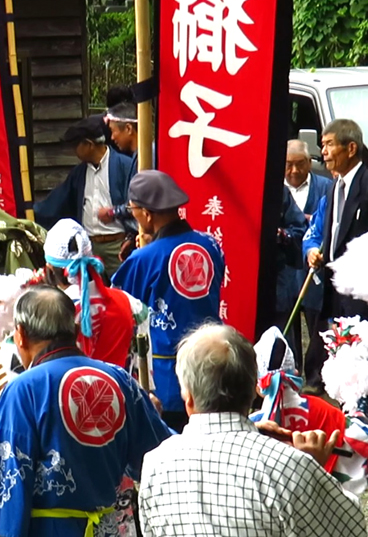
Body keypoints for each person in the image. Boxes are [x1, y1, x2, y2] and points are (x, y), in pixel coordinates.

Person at [0, 286, 172, 537]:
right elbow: (160, 457)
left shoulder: (23, 390)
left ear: (20, 336)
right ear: (74, 331)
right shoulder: (120, 380)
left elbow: (5, 480)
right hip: (110, 528)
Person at [139, 323, 364, 536]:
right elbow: (352, 530)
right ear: (251, 391)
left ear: (188, 397)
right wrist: (314, 473)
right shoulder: (289, 466)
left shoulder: (154, 465)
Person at [112, 170, 225, 431]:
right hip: (213, 364)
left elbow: (123, 307)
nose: (134, 217)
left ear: (147, 214)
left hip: (166, 379)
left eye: (134, 210)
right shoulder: (211, 245)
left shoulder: (142, 260)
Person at [248, 327, 368, 494]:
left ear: (258, 387)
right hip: (330, 498)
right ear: (296, 373)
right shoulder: (322, 408)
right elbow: (359, 437)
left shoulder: (253, 425)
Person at [304, 119, 368, 392]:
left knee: (357, 355)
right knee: (327, 348)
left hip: (359, 289)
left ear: (351, 148)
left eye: (329, 144)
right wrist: (318, 252)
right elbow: (329, 230)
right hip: (331, 283)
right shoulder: (333, 186)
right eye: (322, 146)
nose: (324, 152)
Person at [35, 115, 137, 278]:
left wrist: (116, 216)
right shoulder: (79, 173)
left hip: (117, 245)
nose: (73, 152)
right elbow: (58, 201)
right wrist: (29, 211)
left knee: (122, 290)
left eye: (76, 146)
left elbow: (135, 204)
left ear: (88, 145)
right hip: (87, 245)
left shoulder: (124, 165)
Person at [42, 218, 137, 368]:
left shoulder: (53, 314)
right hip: (122, 386)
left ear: (50, 267)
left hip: (73, 389)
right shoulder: (128, 301)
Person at [279, 139, 333, 365]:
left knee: (317, 329)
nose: (294, 170)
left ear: (310, 163)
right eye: (288, 164)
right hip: (286, 272)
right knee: (287, 332)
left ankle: (316, 379)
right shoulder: (275, 190)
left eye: (299, 164)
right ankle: (292, 372)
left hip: (315, 271)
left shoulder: (327, 188)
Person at [272, 191, 308, 358]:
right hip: (240, 283)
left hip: (275, 283)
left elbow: (300, 230)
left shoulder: (279, 191)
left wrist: (281, 235)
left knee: (280, 344)